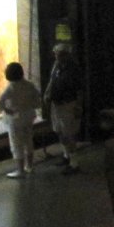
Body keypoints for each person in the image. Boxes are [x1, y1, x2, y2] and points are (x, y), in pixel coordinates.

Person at [43, 42, 83, 174]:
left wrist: (78, 105)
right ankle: (66, 155)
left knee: (68, 133)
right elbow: (52, 81)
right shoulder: (57, 67)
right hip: (57, 104)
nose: (56, 56)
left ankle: (74, 163)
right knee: (59, 131)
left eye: (58, 54)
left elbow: (79, 89)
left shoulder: (73, 70)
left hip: (68, 104)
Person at [0, 61, 42, 179]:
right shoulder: (29, 85)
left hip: (15, 120)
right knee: (28, 141)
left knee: (16, 145)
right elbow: (37, 100)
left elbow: (0, 102)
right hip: (28, 117)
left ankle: (20, 170)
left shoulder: (10, 88)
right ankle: (30, 166)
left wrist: (6, 110)